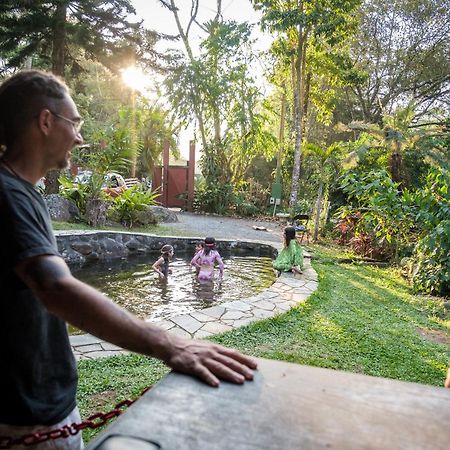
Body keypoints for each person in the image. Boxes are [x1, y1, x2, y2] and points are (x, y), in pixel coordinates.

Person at [0, 70, 256, 449]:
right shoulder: (9, 196)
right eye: (75, 122)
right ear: (45, 121)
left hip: (34, 407)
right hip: (26, 421)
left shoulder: (22, 191)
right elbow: (55, 288)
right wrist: (170, 344)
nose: (80, 136)